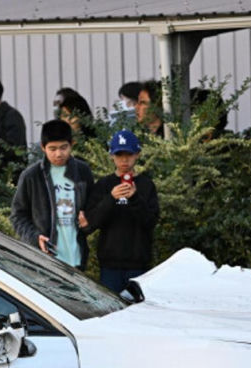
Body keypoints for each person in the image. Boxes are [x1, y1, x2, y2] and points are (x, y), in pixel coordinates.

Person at [10, 119, 94, 270]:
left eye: (63, 148)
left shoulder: (83, 171)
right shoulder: (31, 176)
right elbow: (18, 216)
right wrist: (35, 238)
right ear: (43, 147)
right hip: (45, 261)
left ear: (72, 144)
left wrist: (89, 221)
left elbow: (92, 207)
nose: (59, 154)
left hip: (77, 258)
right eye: (52, 149)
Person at [84, 129, 160, 294]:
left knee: (140, 312)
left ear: (137, 154)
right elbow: (91, 223)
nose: (124, 160)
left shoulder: (146, 185)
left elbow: (151, 221)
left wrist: (134, 198)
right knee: (111, 312)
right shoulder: (103, 185)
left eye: (129, 154)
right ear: (112, 156)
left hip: (139, 265)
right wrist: (111, 198)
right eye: (119, 155)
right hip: (110, 265)